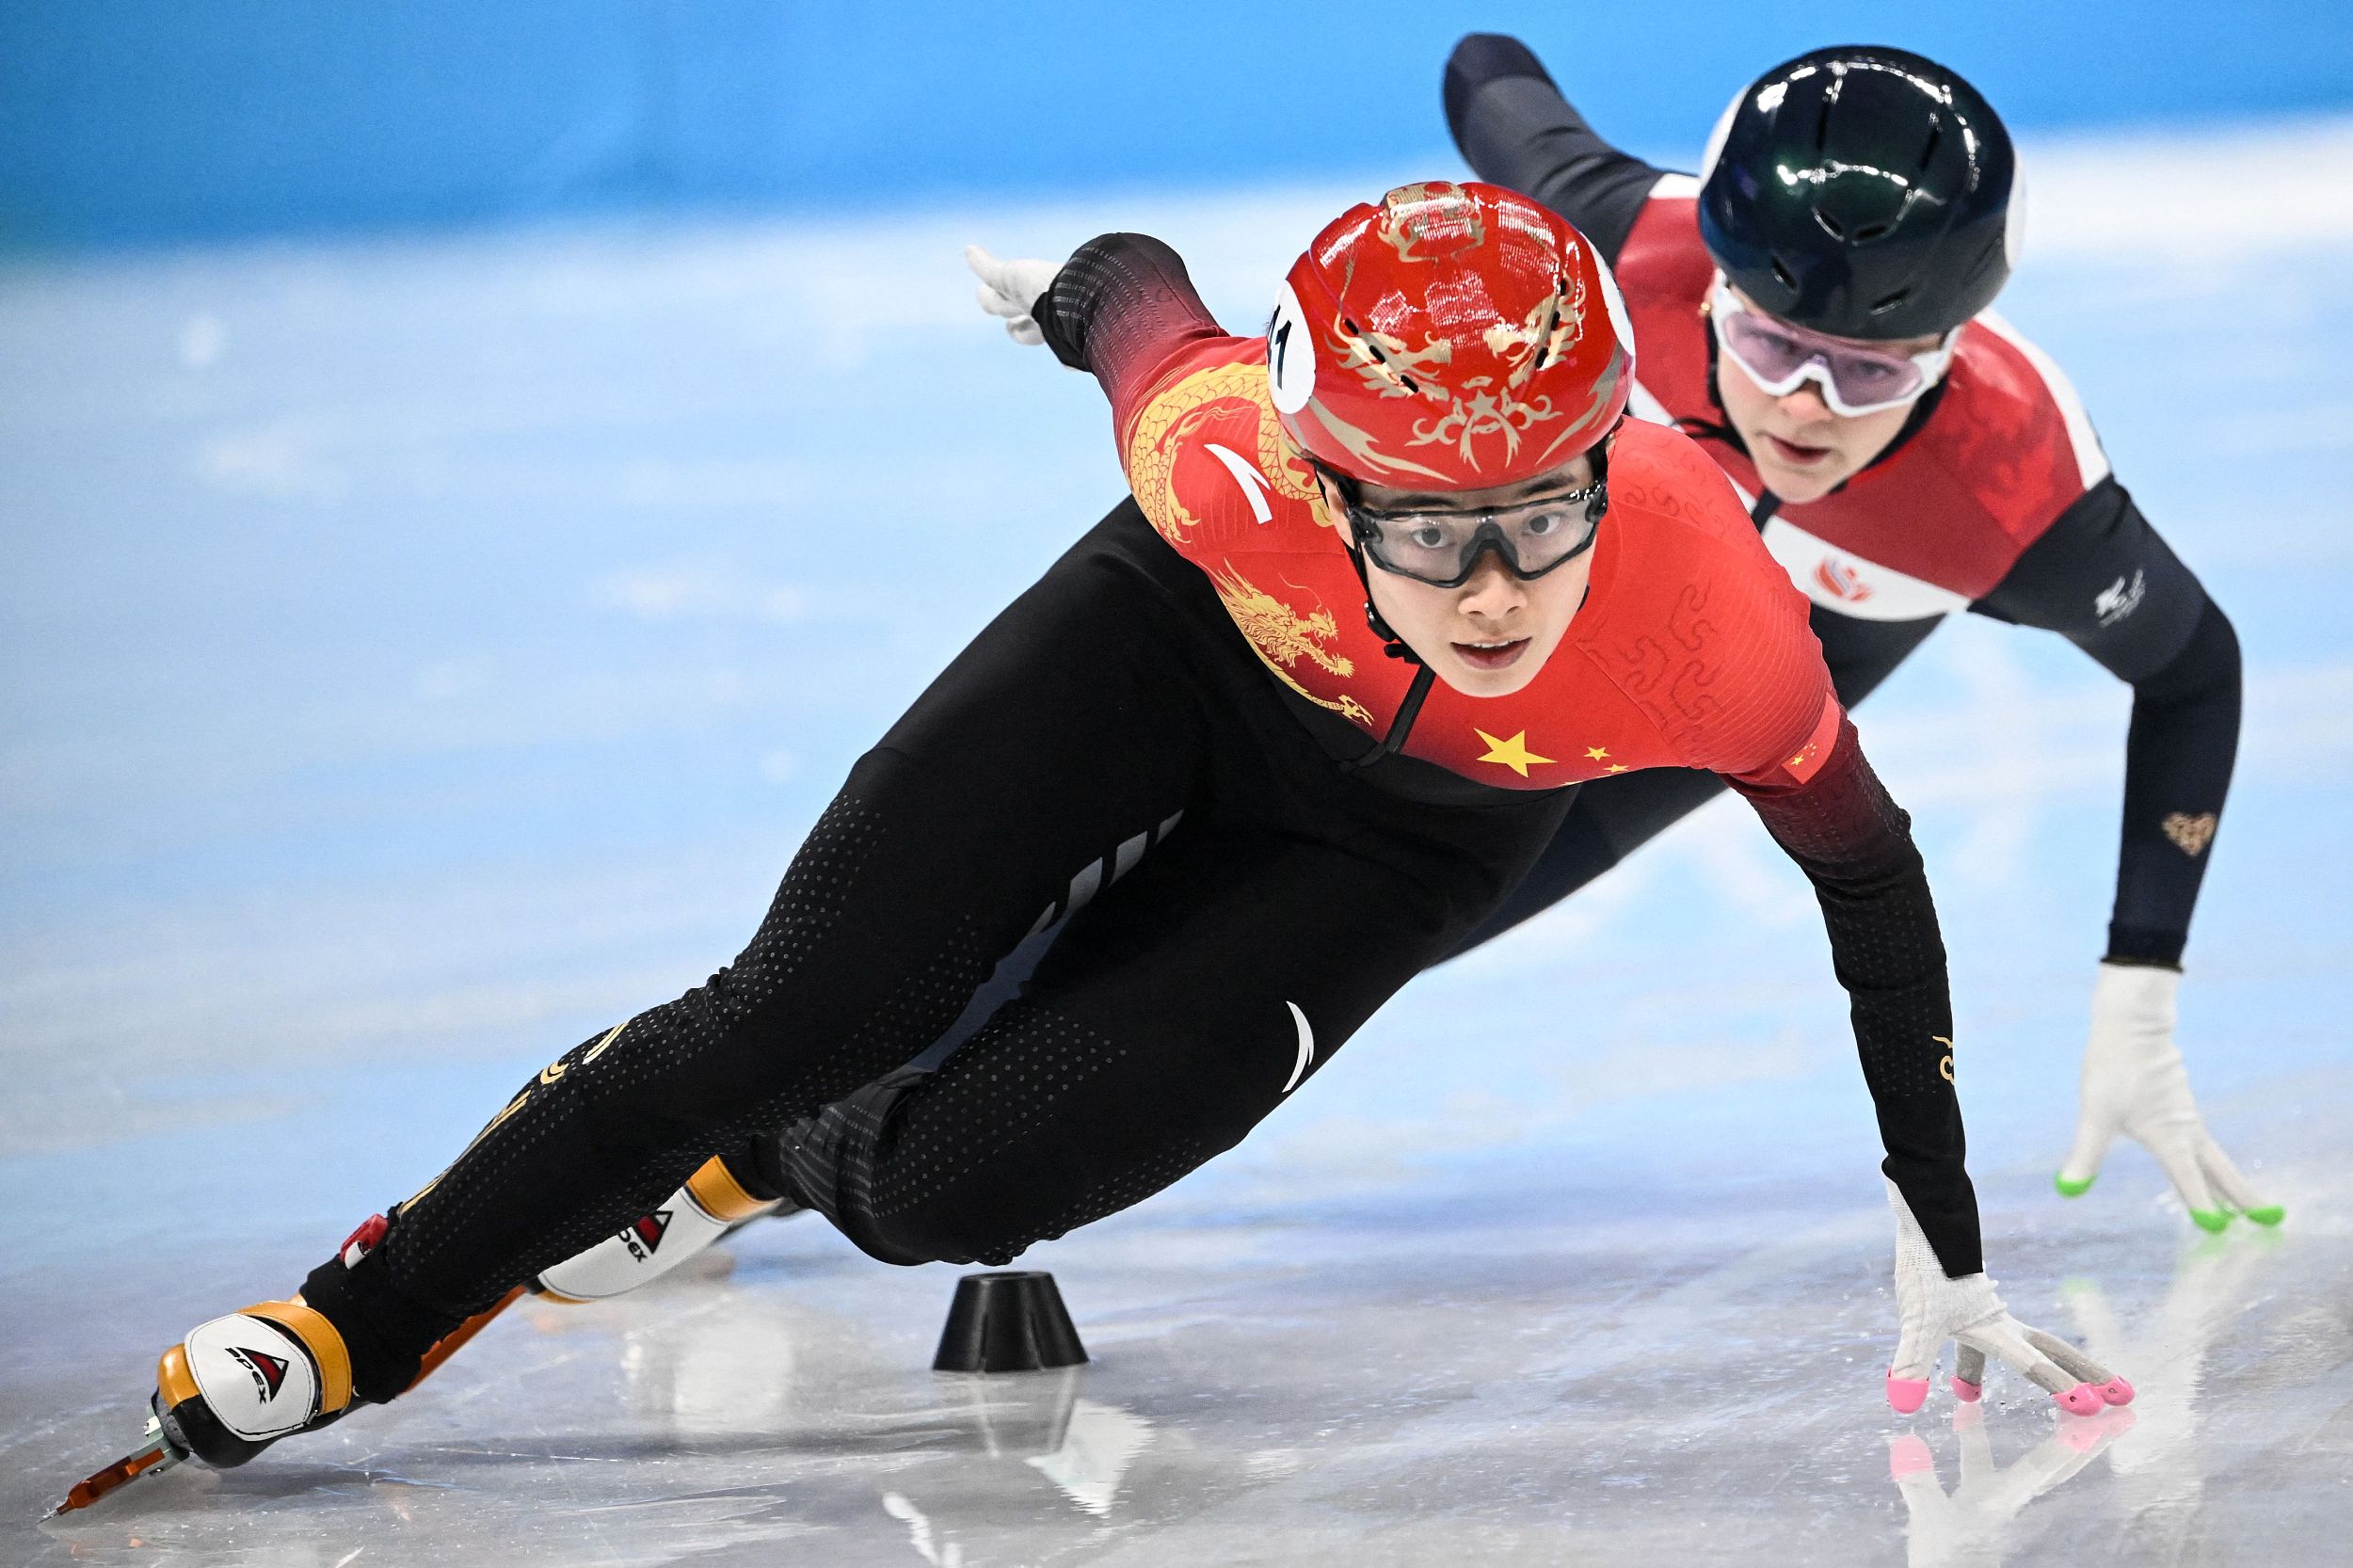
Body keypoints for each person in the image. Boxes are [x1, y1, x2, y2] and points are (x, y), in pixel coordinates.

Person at [88, 184, 2122, 1501]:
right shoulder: (1223, 456)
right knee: (809, 1000)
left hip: (1405, 845)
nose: (1496, 587)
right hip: (1175, 646)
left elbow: (1876, 895)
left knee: (950, 1188)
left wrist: (1942, 1233)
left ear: (1607, 467)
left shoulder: (1716, 636)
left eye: (1539, 516)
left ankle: (759, 1160)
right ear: (1323, 488)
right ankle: (354, 1314)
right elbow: (1139, 298)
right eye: (1429, 529)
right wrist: (1056, 290)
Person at [1441, 37, 2276, 1232]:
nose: (1805, 407)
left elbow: (2194, 673)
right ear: (1717, 288)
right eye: (1772, 345)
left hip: (1696, 717)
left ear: (1947, 350)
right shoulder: (1630, 245)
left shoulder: (2017, 498)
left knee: (1394, 924)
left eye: (1868, 376)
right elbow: (1484, 69)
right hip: (1520, 614)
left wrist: (2139, 991)